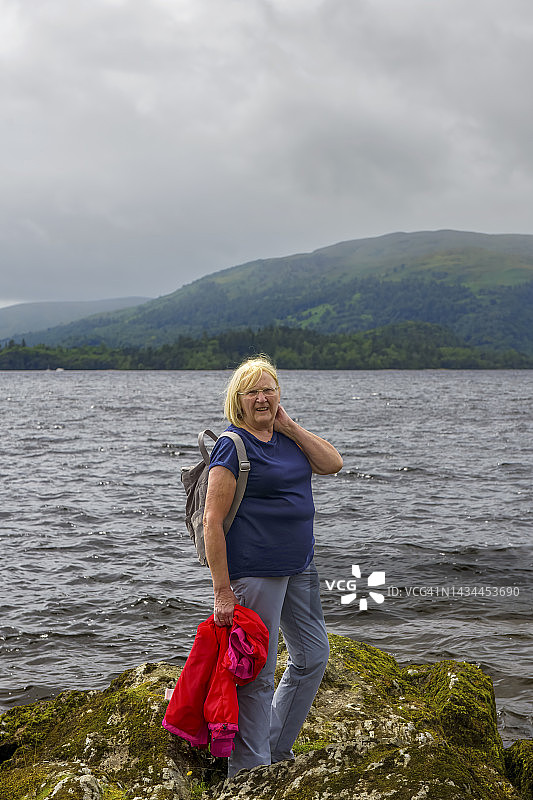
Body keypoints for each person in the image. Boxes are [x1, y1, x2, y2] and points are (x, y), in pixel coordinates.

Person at [203, 355, 343, 777]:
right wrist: (222, 590)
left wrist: (290, 427)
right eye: (253, 392)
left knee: (313, 655)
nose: (262, 397)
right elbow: (211, 521)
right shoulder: (232, 445)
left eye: (269, 389)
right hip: (255, 571)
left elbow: (333, 463)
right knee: (257, 673)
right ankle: (247, 772)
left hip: (299, 566)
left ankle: (275, 748)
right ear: (238, 400)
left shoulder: (287, 437)